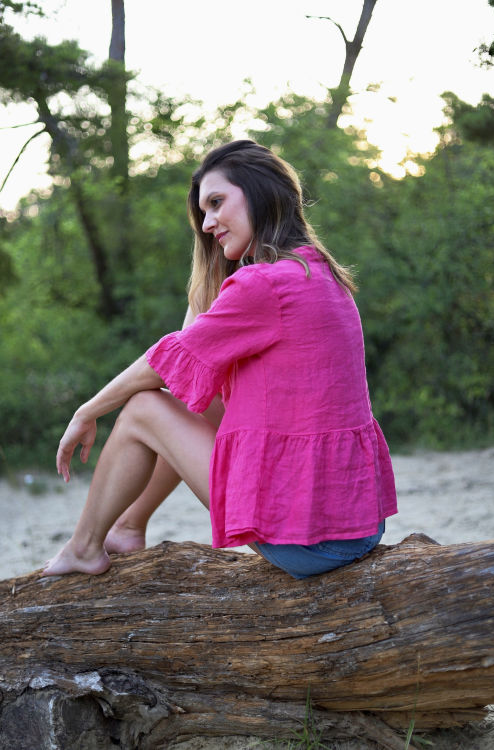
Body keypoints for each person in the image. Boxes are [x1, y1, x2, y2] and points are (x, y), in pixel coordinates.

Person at [43, 140, 397, 580]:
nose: (209, 223)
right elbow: (188, 360)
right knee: (188, 396)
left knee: (141, 409)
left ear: (261, 192)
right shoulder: (317, 271)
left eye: (216, 203)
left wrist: (87, 410)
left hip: (309, 541)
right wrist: (215, 264)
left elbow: (163, 361)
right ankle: (127, 527)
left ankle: (84, 547)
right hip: (358, 525)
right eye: (202, 213)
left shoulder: (264, 285)